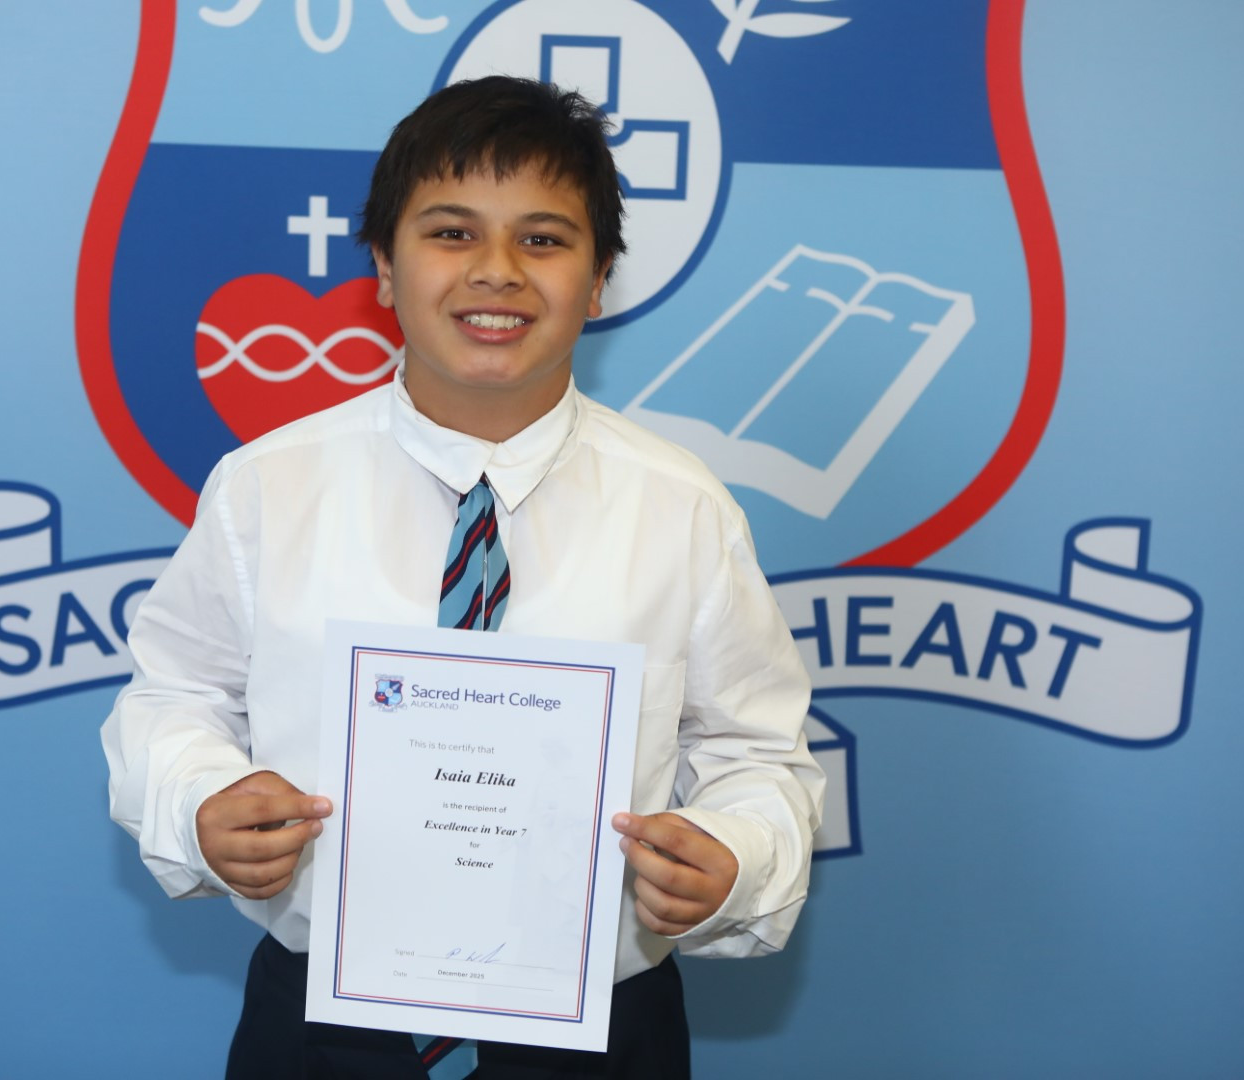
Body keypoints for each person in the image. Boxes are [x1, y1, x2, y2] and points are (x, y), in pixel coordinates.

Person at [102, 75, 824, 1079]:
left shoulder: (683, 508)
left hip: (602, 1030)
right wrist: (200, 801)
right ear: (383, 267)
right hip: (319, 1027)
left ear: (599, 279)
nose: (497, 272)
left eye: (543, 239)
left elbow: (757, 751)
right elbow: (175, 698)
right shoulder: (268, 487)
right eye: (451, 233)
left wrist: (736, 853)